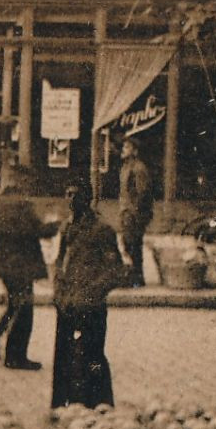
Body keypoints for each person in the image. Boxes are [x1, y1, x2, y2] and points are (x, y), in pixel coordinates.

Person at [51, 182, 128, 409]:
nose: (70, 200)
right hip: (67, 303)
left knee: (93, 357)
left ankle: (99, 404)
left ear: (88, 199)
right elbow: (59, 261)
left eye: (75, 195)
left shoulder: (102, 230)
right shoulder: (67, 228)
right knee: (63, 357)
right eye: (67, 194)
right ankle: (61, 405)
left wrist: (93, 292)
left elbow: (116, 271)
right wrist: (58, 291)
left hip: (91, 305)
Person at [0, 166, 59, 369]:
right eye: (27, 182)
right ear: (21, 181)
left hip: (5, 262)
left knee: (15, 304)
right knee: (24, 310)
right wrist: (56, 224)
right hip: (21, 264)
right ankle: (15, 356)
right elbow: (36, 230)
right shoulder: (22, 205)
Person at [118, 137, 154, 287]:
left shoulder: (138, 168)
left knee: (133, 245)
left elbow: (143, 193)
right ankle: (133, 277)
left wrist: (136, 214)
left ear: (134, 151)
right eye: (124, 147)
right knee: (128, 244)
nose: (123, 150)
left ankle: (137, 279)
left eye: (127, 147)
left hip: (134, 213)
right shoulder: (126, 167)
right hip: (127, 211)